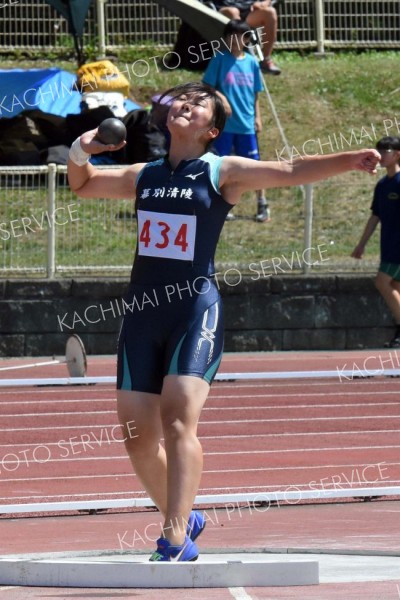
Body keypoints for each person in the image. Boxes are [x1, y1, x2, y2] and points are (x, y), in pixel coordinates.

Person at [67, 81, 380, 562]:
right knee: (136, 436)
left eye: (199, 105)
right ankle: (184, 515)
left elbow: (290, 169)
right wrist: (80, 148)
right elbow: (83, 184)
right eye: (182, 101)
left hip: (194, 312)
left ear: (212, 130)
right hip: (142, 315)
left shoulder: (222, 172)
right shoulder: (144, 174)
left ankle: (174, 539)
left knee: (176, 419)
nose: (186, 106)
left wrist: (348, 160)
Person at [202, 19, 271, 222]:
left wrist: (258, 117)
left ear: (247, 38)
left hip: (246, 125)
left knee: (254, 167)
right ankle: (222, 205)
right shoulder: (219, 60)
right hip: (225, 126)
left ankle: (262, 204)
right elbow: (207, 86)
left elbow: (255, 94)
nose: (234, 40)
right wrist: (222, 98)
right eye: (230, 35)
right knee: (221, 165)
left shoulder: (251, 63)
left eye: (240, 35)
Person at [351, 135, 400, 348]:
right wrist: (361, 244)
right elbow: (375, 216)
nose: (381, 155)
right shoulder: (382, 185)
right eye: (379, 150)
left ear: (397, 155)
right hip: (388, 243)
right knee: (395, 287)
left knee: (382, 282)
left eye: (386, 151)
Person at [212, 0, 281, 75]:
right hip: (225, 8)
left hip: (249, 9)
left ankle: (265, 61)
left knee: (270, 12)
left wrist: (262, 3)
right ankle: (238, 61)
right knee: (233, 12)